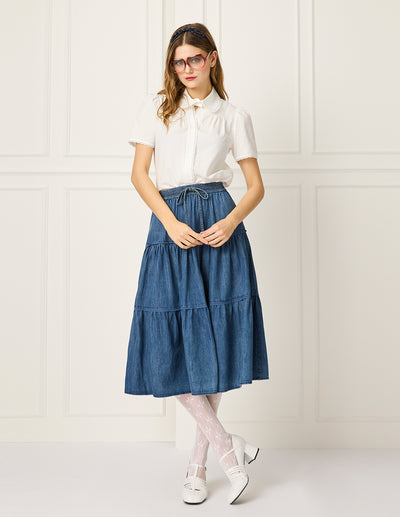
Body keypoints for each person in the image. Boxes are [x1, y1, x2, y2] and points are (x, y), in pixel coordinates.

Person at [124, 22, 269, 505]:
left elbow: (255, 186)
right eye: (178, 61)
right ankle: (229, 448)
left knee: (217, 338)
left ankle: (198, 467)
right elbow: (139, 175)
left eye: (194, 59)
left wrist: (230, 222)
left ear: (211, 58)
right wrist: (168, 223)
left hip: (218, 226)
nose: (185, 68)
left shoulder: (234, 116)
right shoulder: (156, 109)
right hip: (171, 228)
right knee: (168, 346)